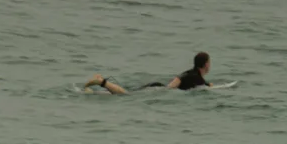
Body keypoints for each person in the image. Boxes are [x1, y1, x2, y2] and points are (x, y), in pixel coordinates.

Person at [84, 52, 213, 96]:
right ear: (206, 64)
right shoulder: (195, 77)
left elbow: (184, 79)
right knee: (126, 95)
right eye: (209, 62)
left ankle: (95, 92)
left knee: (128, 93)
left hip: (158, 87)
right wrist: (167, 90)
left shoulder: (193, 75)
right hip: (158, 89)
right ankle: (102, 82)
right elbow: (177, 81)